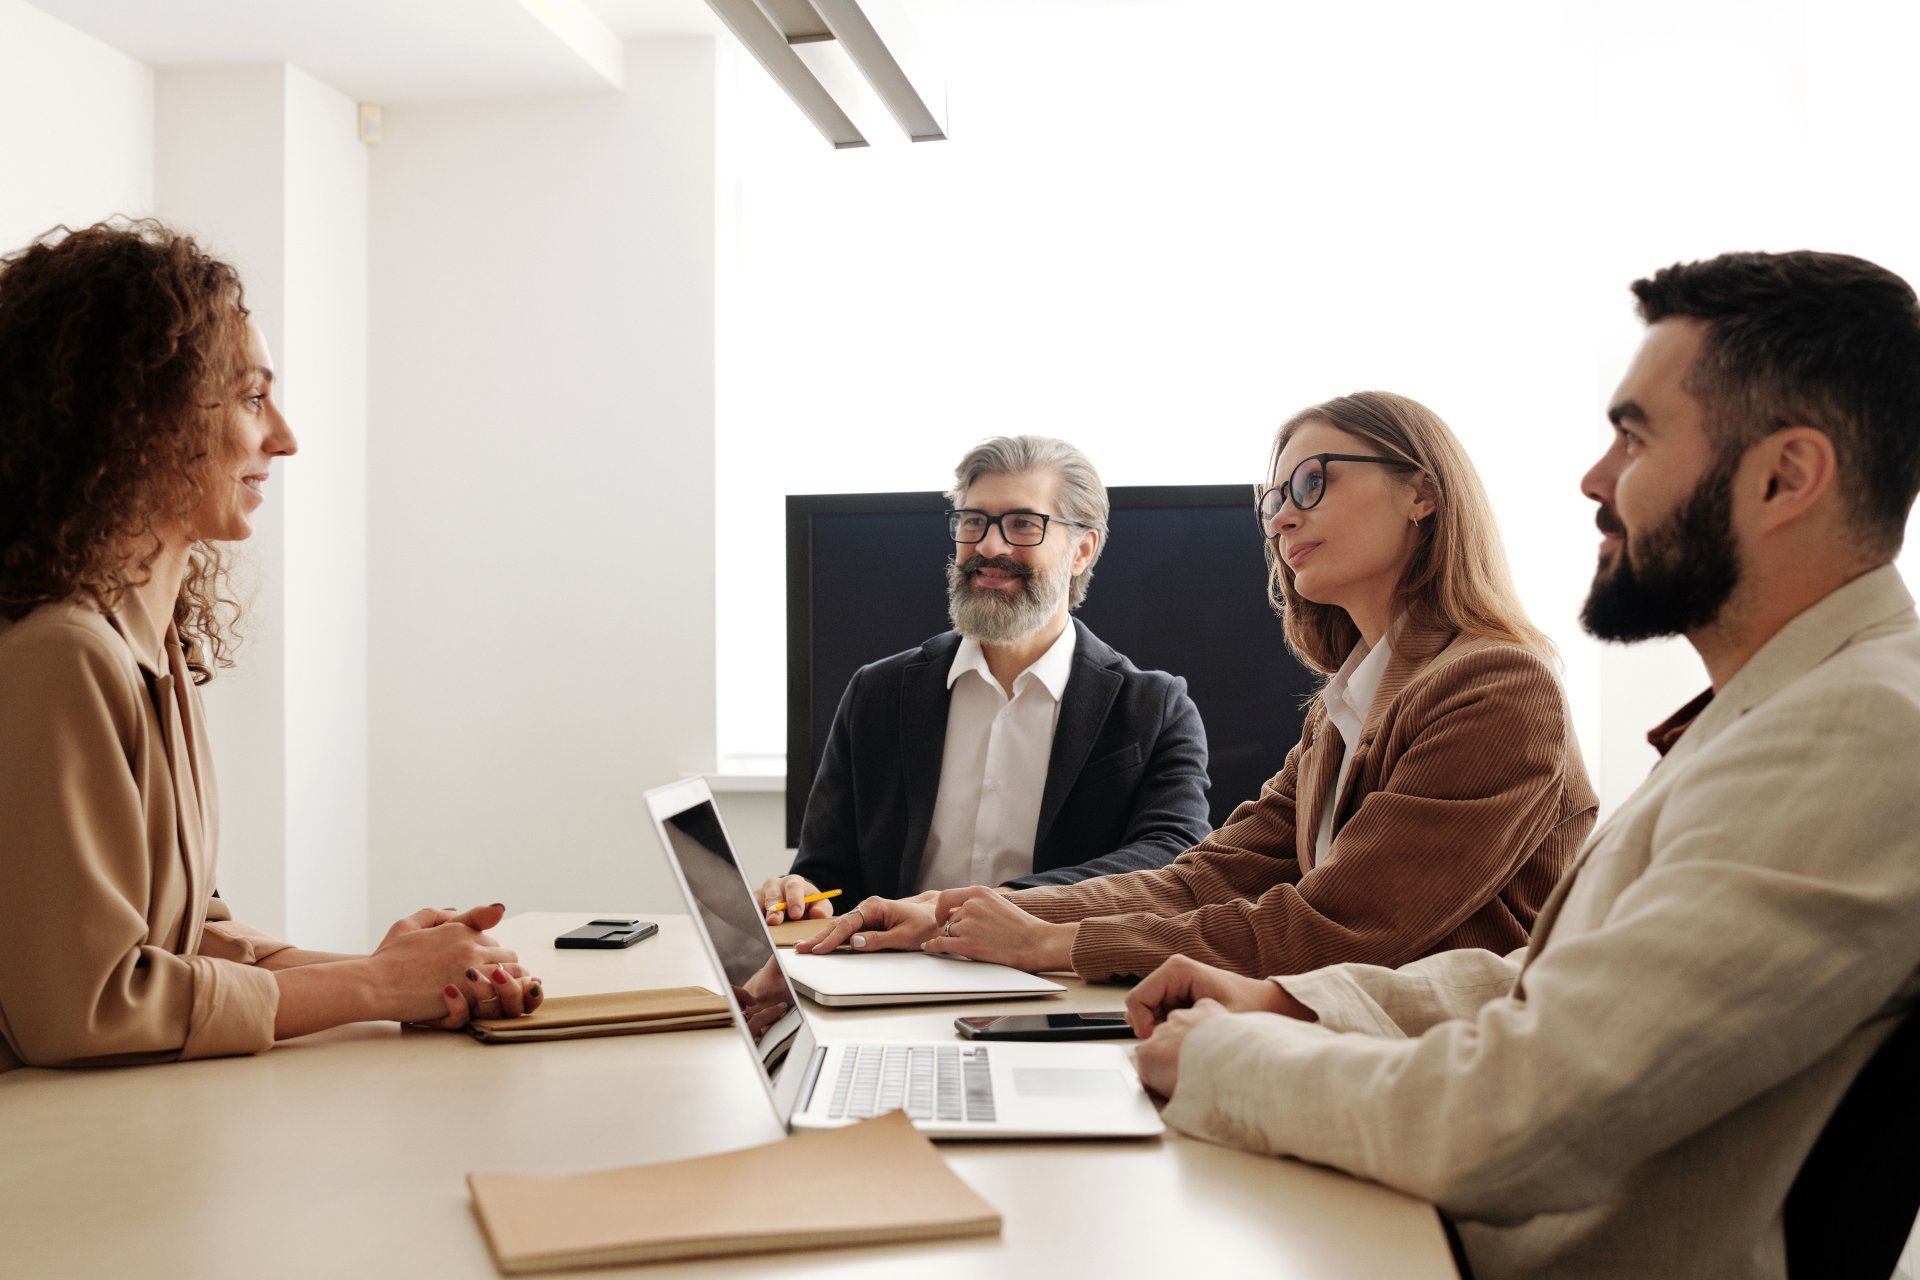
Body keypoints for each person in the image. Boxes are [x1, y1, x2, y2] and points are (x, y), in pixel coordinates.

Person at [1127, 251, 1920, 1280]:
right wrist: (1299, 1005)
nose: (1595, 479)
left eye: (1633, 437)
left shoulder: (1855, 732)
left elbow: (1519, 1113)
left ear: (1785, 476)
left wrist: (1228, 1059)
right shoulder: (1791, 704)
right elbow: (1564, 980)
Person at [802, 392, 1596, 981]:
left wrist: (1054, 942)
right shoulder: (1348, 702)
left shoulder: (1498, 686)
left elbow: (1339, 926)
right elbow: (1209, 876)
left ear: (1422, 492)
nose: (1282, 519)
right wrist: (951, 913)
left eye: (1311, 483)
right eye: (1275, 498)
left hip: (1441, 1084)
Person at [0, 220, 539, 1072]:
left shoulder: (149, 647)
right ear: (140, 419)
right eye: (252, 399)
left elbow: (187, 939)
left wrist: (419, 975)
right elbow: (89, 1007)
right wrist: (374, 988)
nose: (283, 437)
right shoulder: (64, 656)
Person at [758, 436, 1213, 924]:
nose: (988, 546)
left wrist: (979, 908)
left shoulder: (1155, 708)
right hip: (892, 985)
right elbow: (826, 873)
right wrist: (802, 893)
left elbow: (1173, 859)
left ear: (1082, 549)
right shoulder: (878, 693)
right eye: (974, 521)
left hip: (1060, 988)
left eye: (1022, 524)